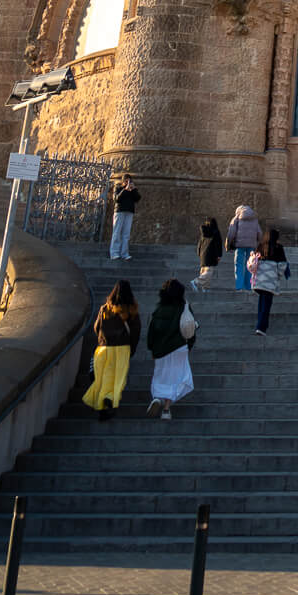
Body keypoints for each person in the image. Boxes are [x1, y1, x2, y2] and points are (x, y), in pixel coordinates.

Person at [82, 280, 140, 420]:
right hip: (122, 348)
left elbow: (97, 328)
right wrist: (132, 348)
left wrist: (103, 339)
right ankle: (110, 398)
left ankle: (101, 404)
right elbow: (136, 331)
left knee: (104, 377)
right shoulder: (131, 310)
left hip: (104, 348)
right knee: (117, 379)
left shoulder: (104, 309)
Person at [146, 279, 195, 420]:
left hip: (160, 350)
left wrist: (151, 348)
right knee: (177, 378)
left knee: (160, 376)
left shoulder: (159, 310)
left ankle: (157, 398)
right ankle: (166, 409)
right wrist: (189, 345)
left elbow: (152, 331)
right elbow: (190, 327)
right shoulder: (184, 307)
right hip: (179, 347)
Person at [248, 227, 290, 334]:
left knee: (262, 302)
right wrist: (278, 275)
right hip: (270, 281)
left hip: (259, 280)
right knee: (266, 305)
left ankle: (262, 325)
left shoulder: (260, 246)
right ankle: (261, 328)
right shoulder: (278, 247)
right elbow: (282, 265)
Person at [226, 203, 261, 291]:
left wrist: (228, 245)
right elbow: (259, 233)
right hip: (251, 246)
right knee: (250, 265)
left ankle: (239, 286)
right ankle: (248, 287)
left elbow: (231, 233)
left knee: (238, 265)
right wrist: (258, 243)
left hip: (239, 245)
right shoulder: (254, 219)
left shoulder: (236, 218)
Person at [109, 173, 140, 261]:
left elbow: (137, 198)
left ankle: (124, 253)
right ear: (123, 182)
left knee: (126, 234)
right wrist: (125, 190)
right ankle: (114, 253)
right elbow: (117, 199)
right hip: (120, 211)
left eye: (129, 181)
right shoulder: (118, 188)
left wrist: (133, 189)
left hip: (129, 212)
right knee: (117, 232)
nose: (128, 183)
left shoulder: (132, 190)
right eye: (126, 181)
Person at [190, 218, 222, 293]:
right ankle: (196, 281)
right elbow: (218, 244)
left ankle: (205, 288)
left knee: (203, 271)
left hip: (203, 255)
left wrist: (199, 253)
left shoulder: (204, 232)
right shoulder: (215, 232)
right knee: (209, 272)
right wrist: (219, 255)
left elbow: (199, 244)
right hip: (211, 255)